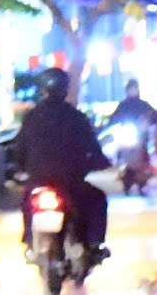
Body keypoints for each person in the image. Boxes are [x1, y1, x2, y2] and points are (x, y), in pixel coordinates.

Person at [10, 66, 109, 255]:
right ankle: (95, 244)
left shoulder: (31, 117)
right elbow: (93, 148)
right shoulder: (76, 118)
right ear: (65, 89)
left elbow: (19, 149)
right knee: (97, 199)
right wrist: (101, 163)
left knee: (26, 201)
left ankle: (30, 240)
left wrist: (19, 168)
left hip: (39, 180)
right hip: (71, 182)